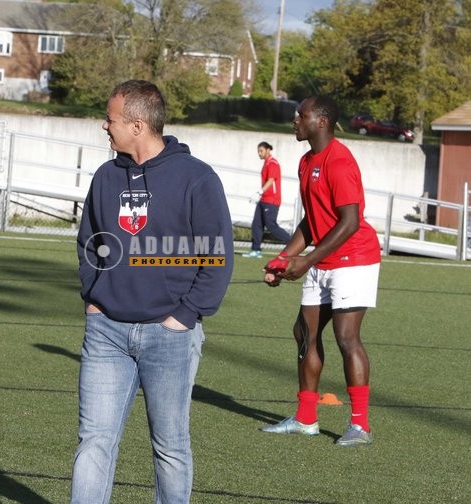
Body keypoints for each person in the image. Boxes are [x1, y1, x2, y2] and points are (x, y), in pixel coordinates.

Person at [72, 80, 234, 503]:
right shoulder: (106, 176)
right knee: (94, 441)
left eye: (110, 119)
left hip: (170, 335)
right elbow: (89, 242)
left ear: (137, 126)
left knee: (169, 447)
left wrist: (185, 315)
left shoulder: (197, 178)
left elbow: (216, 257)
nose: (104, 126)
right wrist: (94, 298)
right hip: (106, 332)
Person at [259, 95, 381, 447]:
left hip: (354, 258)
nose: (295, 120)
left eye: (302, 115)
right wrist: (284, 259)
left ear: (322, 121)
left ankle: (360, 426)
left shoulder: (339, 161)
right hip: (323, 260)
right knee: (304, 332)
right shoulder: (305, 161)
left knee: (346, 337)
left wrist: (306, 261)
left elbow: (350, 221)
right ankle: (305, 418)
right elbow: (311, 222)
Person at [242, 141, 292, 258]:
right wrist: (260, 195)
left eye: (261, 151)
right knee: (256, 224)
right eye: (258, 151)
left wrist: (259, 192)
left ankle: (292, 243)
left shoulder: (273, 163)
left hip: (272, 200)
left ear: (268, 150)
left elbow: (271, 180)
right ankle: (255, 250)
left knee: (271, 225)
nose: (259, 153)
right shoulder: (266, 163)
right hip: (264, 199)